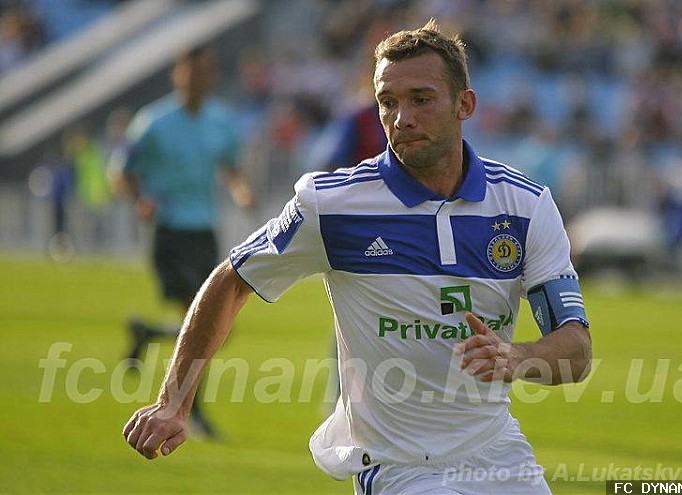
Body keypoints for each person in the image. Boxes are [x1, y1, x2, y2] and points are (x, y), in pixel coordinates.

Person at [123, 21, 591, 494]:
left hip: (501, 455)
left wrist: (518, 356)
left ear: (464, 105)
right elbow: (232, 280)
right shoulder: (331, 206)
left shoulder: (526, 206)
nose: (401, 118)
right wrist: (172, 402)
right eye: (388, 102)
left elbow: (576, 350)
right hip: (399, 467)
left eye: (421, 100)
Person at [112, 45, 253, 439]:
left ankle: (146, 333)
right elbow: (120, 172)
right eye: (192, 72)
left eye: (206, 72)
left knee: (207, 324)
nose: (198, 79)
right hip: (169, 231)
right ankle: (193, 413)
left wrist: (242, 192)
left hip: (204, 232)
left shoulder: (221, 122)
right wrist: (140, 198)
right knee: (205, 321)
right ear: (178, 75)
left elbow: (232, 169)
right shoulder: (153, 123)